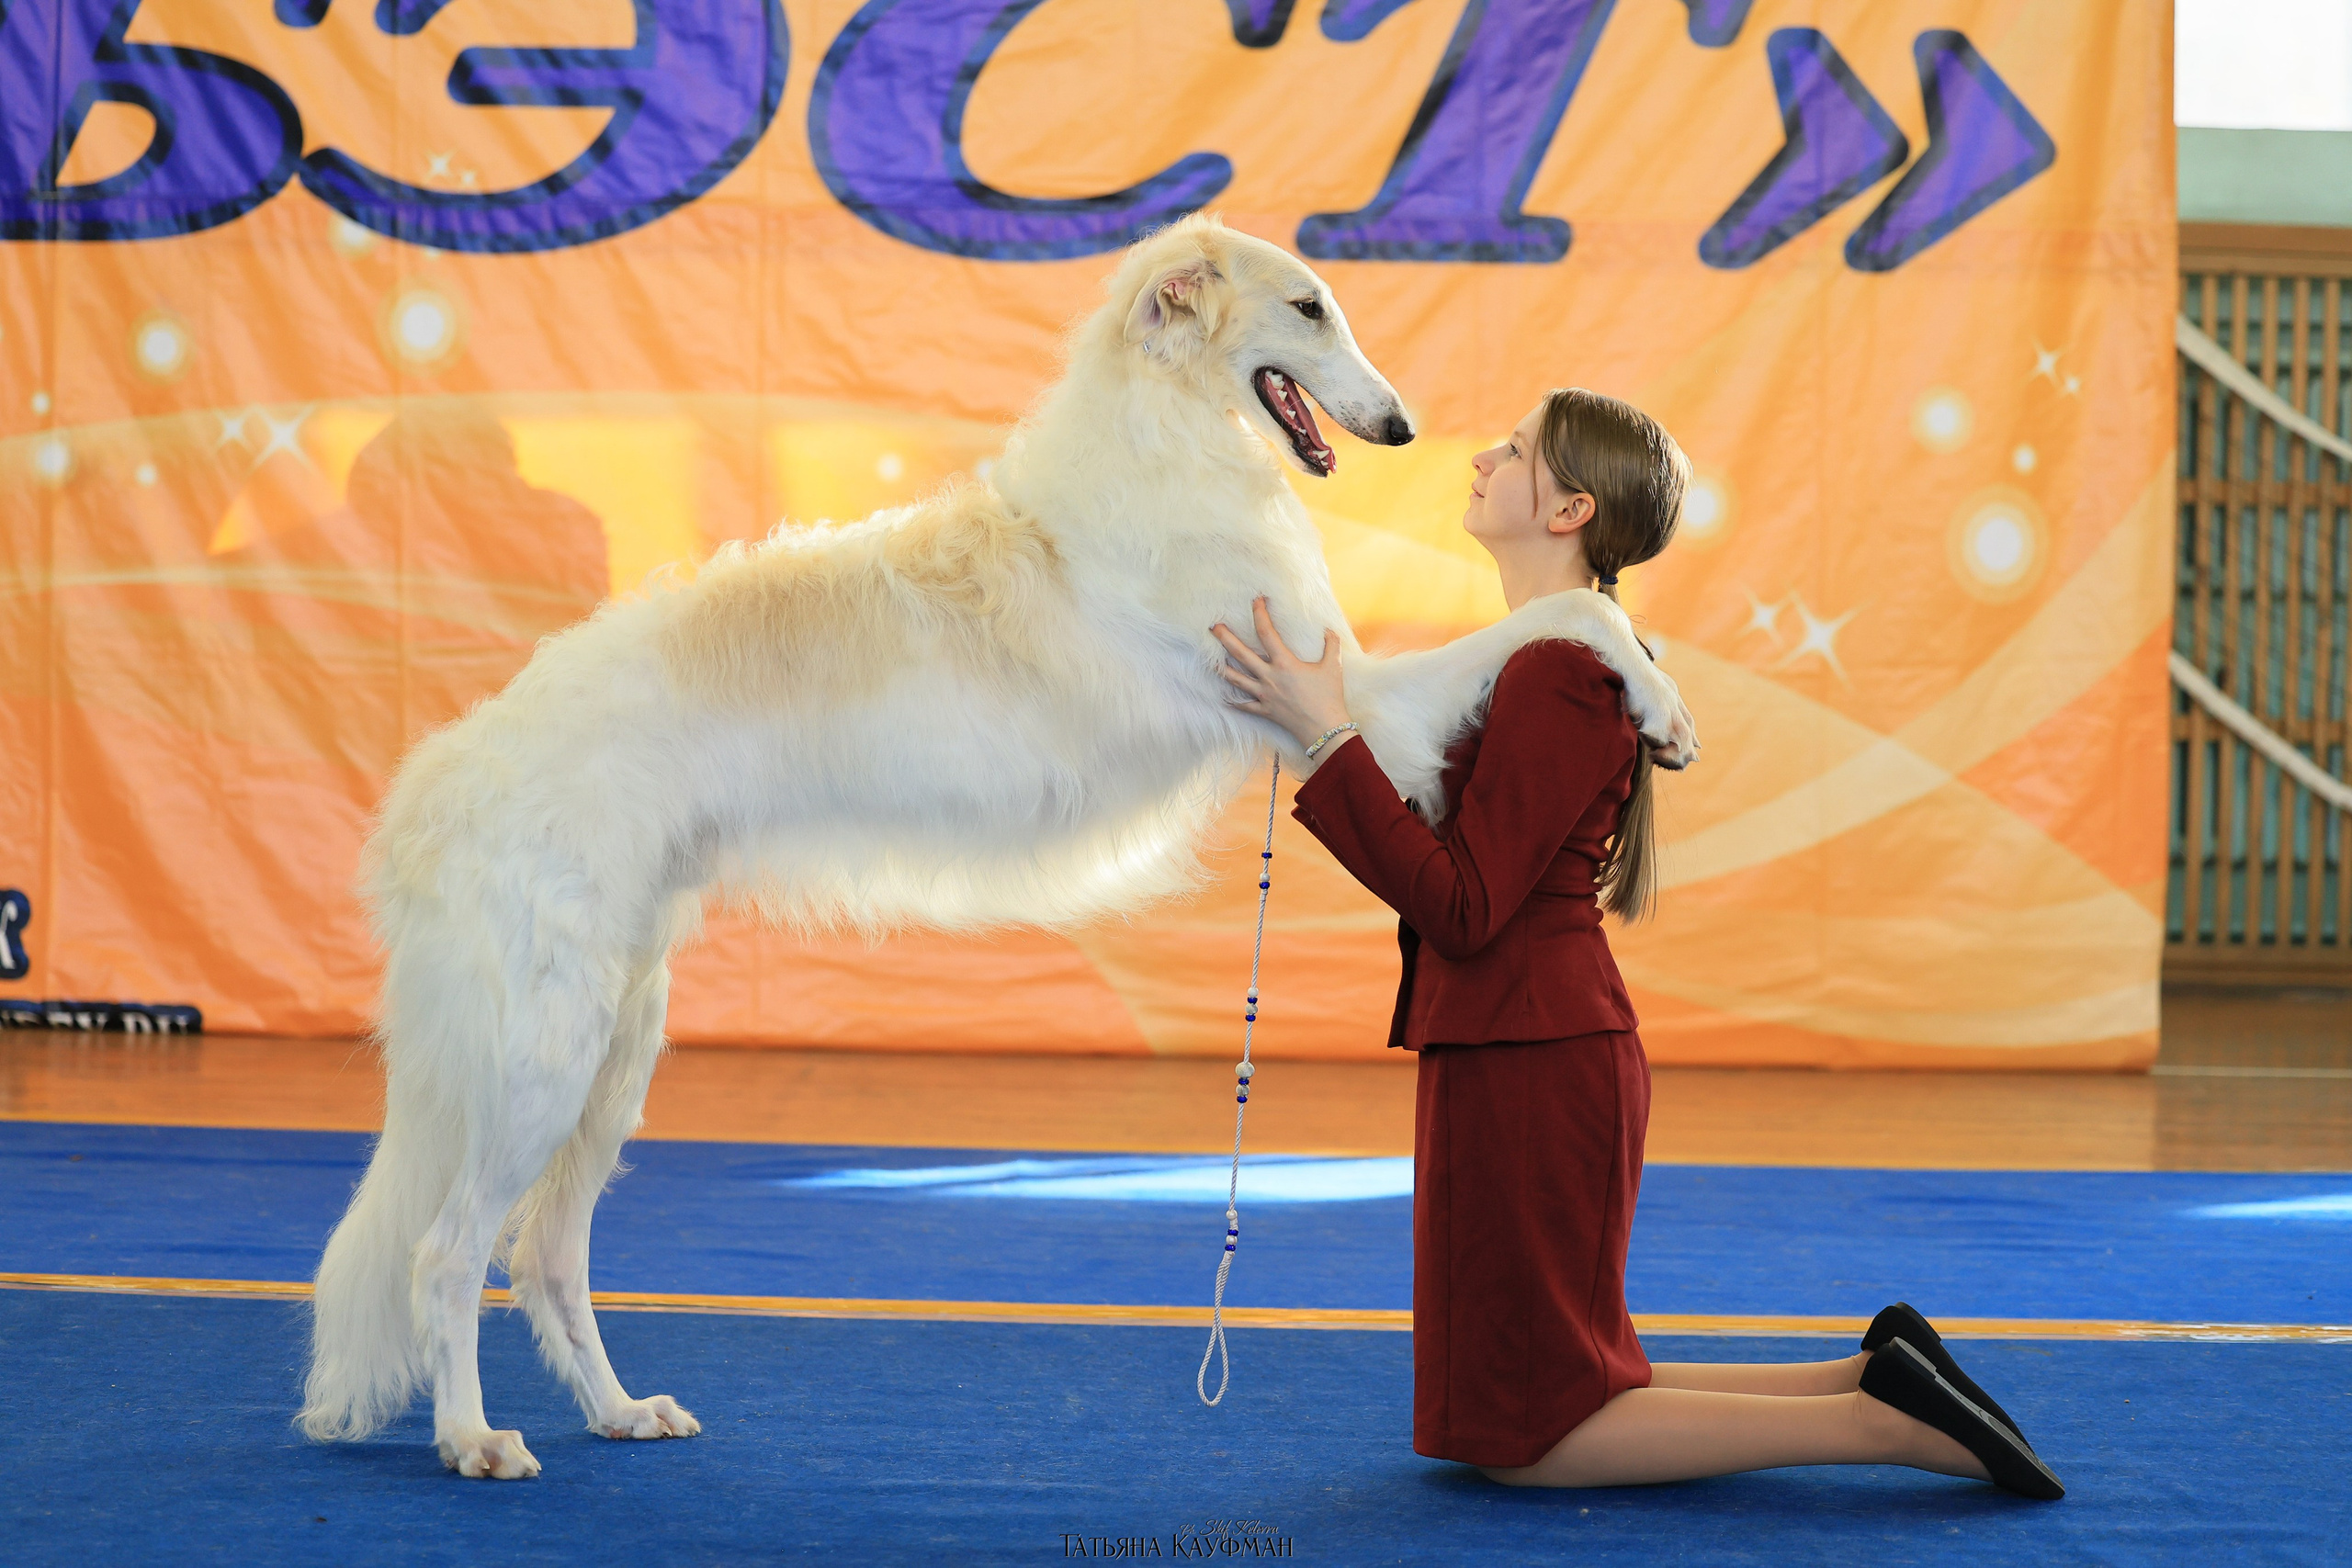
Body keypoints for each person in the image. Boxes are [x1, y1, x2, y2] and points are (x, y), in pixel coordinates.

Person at [1210, 388, 2061, 1498]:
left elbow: (1464, 906)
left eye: (1512, 452)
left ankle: (1883, 1428)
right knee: (1555, 1386)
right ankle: (1869, 1376)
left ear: (1568, 509)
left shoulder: (1559, 675)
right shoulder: (1544, 659)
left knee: (1532, 1440)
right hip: (1519, 1042)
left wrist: (1326, 739)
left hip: (1532, 1050)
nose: (1480, 458)